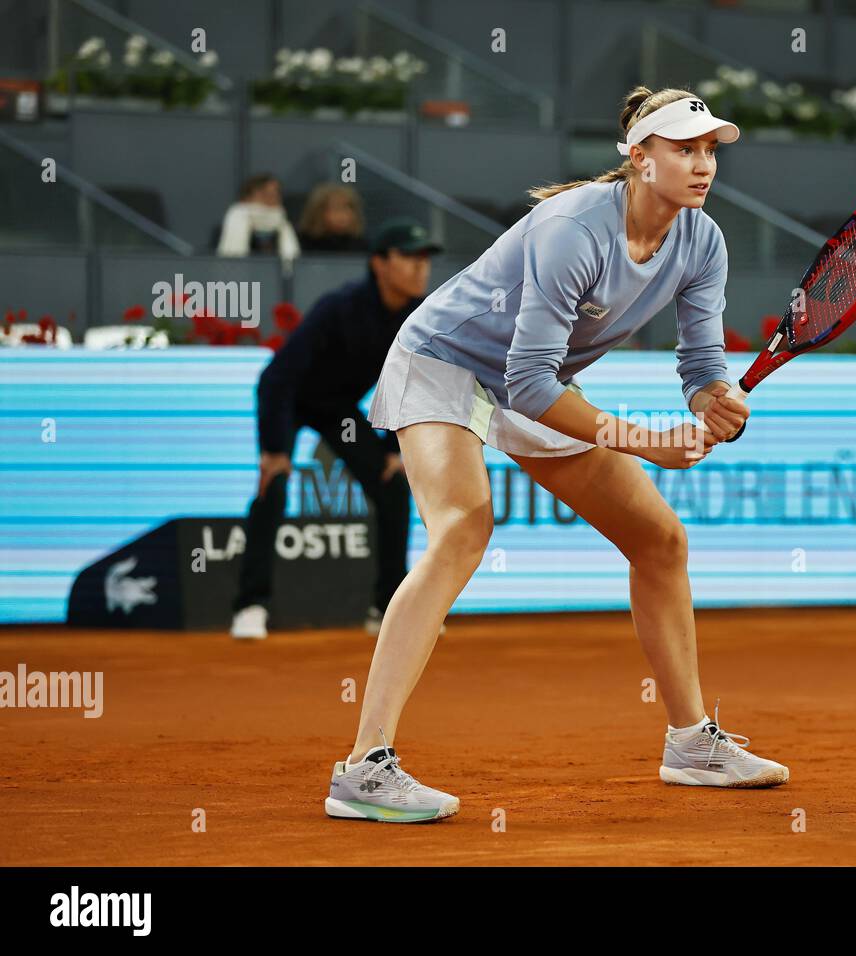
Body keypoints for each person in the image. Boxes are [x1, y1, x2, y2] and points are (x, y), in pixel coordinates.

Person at [324, 86, 785, 826]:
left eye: (710, 151)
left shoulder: (703, 240)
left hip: (532, 384)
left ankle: (691, 744)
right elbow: (530, 382)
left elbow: (701, 367)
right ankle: (363, 768)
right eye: (684, 149)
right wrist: (645, 441)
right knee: (464, 528)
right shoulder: (573, 228)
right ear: (639, 158)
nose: (703, 166)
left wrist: (714, 402)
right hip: (444, 361)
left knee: (659, 540)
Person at [230, 218, 441, 641]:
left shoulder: (418, 319)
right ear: (379, 264)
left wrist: (390, 448)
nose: (421, 268)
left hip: (338, 411)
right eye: (408, 257)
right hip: (289, 400)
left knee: (393, 485)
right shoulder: (338, 306)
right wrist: (275, 449)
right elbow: (277, 378)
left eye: (425, 259)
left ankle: (386, 610)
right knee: (274, 486)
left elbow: (407, 385)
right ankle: (250, 605)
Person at [216, 173, 300, 264]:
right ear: (247, 197)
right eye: (265, 194)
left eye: (276, 194)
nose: (272, 199)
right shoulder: (224, 230)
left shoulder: (288, 228)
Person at [298, 184, 368, 253]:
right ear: (319, 212)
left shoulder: (361, 246)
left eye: (347, 207)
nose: (342, 215)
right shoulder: (300, 244)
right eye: (336, 207)